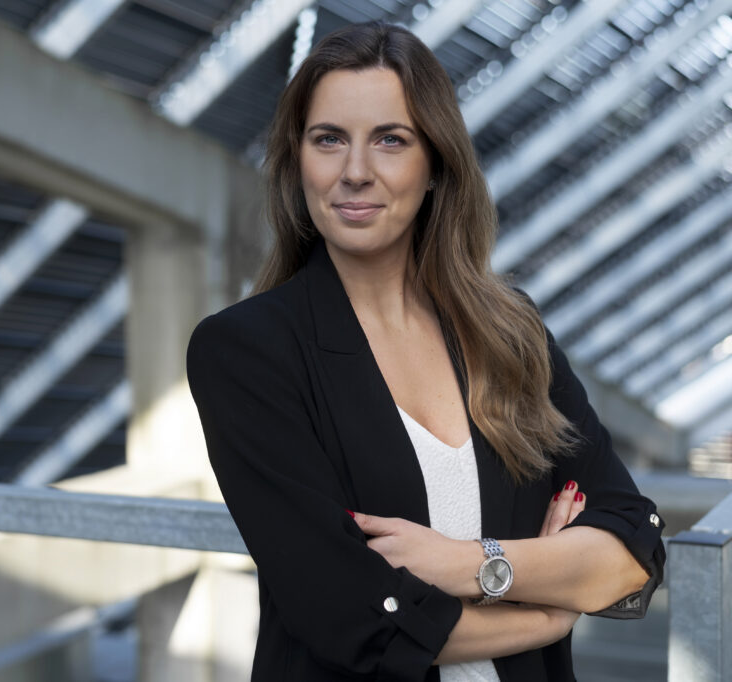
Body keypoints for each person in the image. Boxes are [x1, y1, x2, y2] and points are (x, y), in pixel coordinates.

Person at [185, 20, 665, 682]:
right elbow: (354, 620)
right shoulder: (246, 352)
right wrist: (551, 610)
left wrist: (472, 562)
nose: (356, 172)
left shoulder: (509, 332)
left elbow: (634, 546)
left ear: (436, 164)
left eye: (391, 140)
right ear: (298, 162)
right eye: (329, 139)